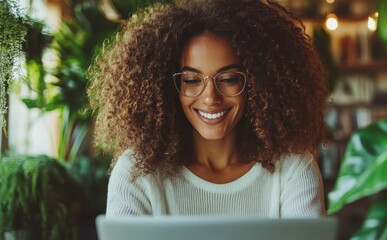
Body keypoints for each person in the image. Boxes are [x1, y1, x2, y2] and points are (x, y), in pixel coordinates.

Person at [88, 0, 328, 218]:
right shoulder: (137, 173)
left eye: (229, 79)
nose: (210, 98)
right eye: (192, 81)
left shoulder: (293, 168)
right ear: (167, 87)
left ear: (258, 82)